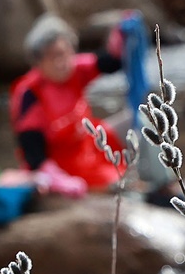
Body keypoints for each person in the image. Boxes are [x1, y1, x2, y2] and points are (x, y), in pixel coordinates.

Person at [10, 14, 127, 196]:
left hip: (89, 147)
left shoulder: (76, 69)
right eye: (53, 56)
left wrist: (121, 35)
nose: (61, 63)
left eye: (65, 53)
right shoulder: (30, 93)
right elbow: (33, 153)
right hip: (61, 166)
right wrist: (59, 180)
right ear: (38, 61)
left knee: (141, 119)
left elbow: (111, 62)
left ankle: (162, 181)